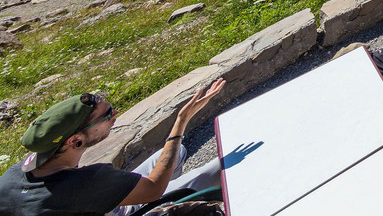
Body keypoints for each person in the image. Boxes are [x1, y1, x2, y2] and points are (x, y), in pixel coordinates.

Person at [2, 79, 227, 216]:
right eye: (107, 115)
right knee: (221, 169)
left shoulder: (12, 177)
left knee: (177, 153)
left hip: (99, 202)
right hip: (127, 208)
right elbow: (154, 189)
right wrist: (180, 122)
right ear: (75, 140)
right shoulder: (88, 181)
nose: (115, 115)